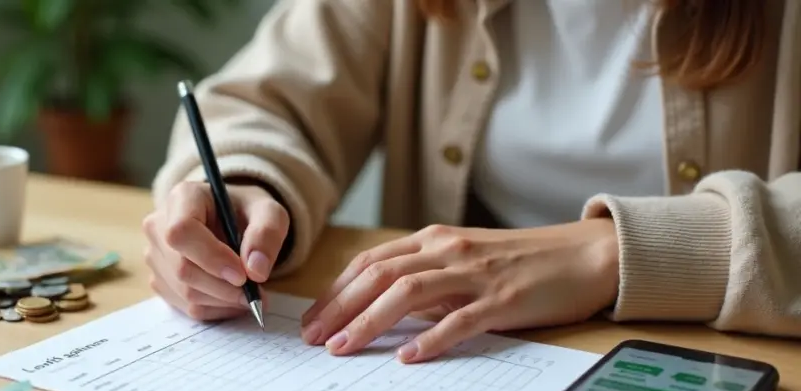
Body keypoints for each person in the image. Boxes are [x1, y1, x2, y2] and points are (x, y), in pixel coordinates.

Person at [144, 0, 801, 364]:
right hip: (459, 373)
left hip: (707, 372)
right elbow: (263, 102)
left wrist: (613, 252)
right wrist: (240, 185)